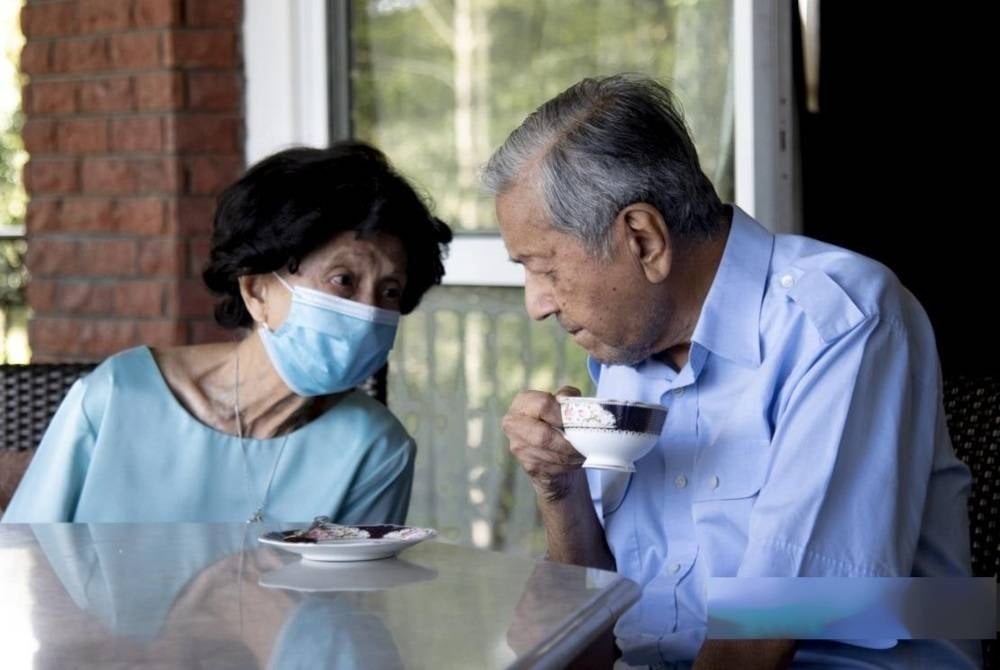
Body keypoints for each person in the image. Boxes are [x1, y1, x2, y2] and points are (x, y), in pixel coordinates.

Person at [484, 75, 978, 668]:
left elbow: (762, 635)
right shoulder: (630, 352)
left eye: (543, 269)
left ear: (642, 239)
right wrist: (558, 488)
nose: (535, 304)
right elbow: (584, 640)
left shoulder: (842, 320)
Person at [3, 142, 452, 525]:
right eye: (343, 281)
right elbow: (23, 564)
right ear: (257, 289)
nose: (368, 313)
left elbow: (349, 613)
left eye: (389, 291)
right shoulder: (119, 395)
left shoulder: (376, 450)